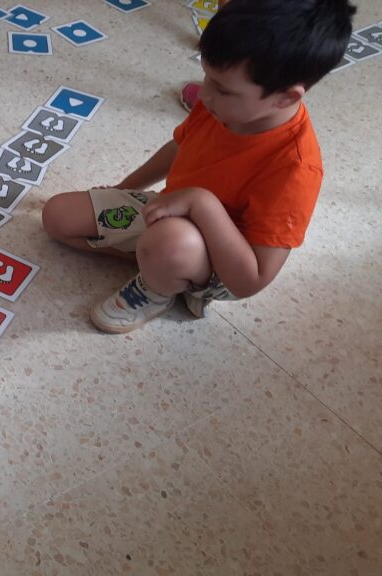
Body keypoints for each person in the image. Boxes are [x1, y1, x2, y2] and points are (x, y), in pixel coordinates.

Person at [40, 0, 355, 334]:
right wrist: (125, 188)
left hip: (221, 262)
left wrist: (200, 203)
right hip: (169, 215)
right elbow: (179, 147)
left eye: (222, 88)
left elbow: (250, 280)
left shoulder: (295, 168)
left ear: (285, 98)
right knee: (58, 217)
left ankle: (159, 288)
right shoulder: (221, 105)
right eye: (206, 76)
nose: (203, 94)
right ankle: (162, 265)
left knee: (170, 242)